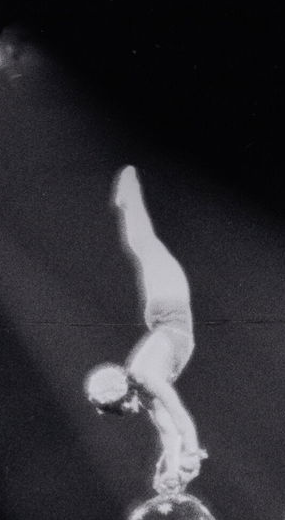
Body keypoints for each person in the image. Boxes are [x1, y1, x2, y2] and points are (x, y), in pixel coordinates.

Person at [85, 166, 207, 494]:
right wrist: (168, 475)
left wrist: (192, 451)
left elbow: (178, 412)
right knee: (143, 247)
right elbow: (168, 432)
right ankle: (129, 197)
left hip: (170, 307)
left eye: (121, 409)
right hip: (166, 316)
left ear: (123, 395)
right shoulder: (142, 389)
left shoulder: (143, 376)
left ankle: (130, 191)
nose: (128, 413)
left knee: (143, 243)